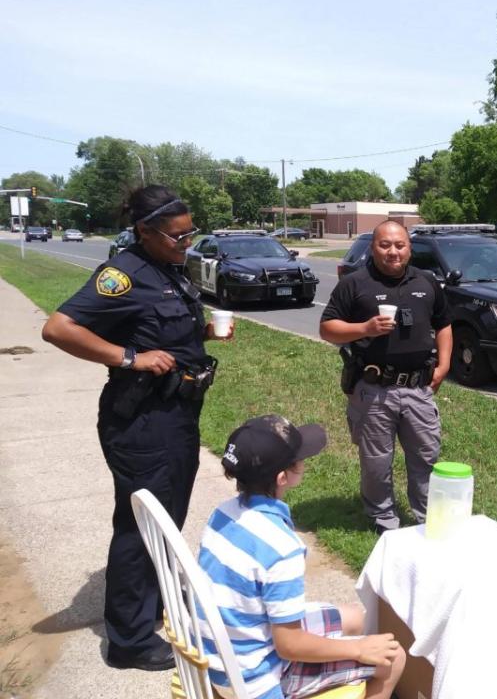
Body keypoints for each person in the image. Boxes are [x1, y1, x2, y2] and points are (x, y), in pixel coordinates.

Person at [41, 185, 230, 671]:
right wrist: (130, 357)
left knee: (167, 519)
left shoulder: (166, 268)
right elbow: (60, 328)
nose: (186, 242)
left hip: (178, 416)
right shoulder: (121, 275)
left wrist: (202, 333)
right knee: (139, 525)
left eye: (190, 232)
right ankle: (128, 640)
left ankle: (158, 602)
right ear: (145, 231)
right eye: (176, 235)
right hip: (143, 421)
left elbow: (159, 327)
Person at [199, 415, 405, 699]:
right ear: (283, 477)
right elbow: (289, 645)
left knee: (356, 618)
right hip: (256, 680)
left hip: (220, 655)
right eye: (300, 457)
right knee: (393, 658)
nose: (305, 461)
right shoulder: (281, 548)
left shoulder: (222, 513)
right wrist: (359, 649)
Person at [319, 220, 452, 534]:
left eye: (400, 245)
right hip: (374, 389)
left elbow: (444, 324)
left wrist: (444, 364)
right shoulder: (355, 283)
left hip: (419, 388)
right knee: (376, 461)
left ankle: (425, 518)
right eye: (385, 245)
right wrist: (365, 328)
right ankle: (384, 520)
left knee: (426, 456)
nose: (393, 252)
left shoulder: (427, 281)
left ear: (409, 247)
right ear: (372, 247)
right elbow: (327, 328)